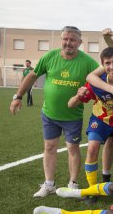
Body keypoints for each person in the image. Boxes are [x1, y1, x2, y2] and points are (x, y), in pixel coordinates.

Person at [9, 26, 99, 197]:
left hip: (72, 116)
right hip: (49, 114)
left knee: (72, 148)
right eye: (65, 39)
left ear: (79, 42)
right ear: (61, 40)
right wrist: (18, 96)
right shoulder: (50, 56)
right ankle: (49, 184)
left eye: (72, 40)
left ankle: (72, 183)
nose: (68, 42)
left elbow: (101, 74)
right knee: (49, 147)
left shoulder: (87, 61)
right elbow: (32, 76)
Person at [68, 47, 113, 187]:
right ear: (102, 65)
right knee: (92, 148)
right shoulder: (96, 82)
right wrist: (79, 95)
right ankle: (92, 189)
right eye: (107, 63)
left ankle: (107, 177)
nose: (112, 66)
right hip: (101, 119)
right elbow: (71, 104)